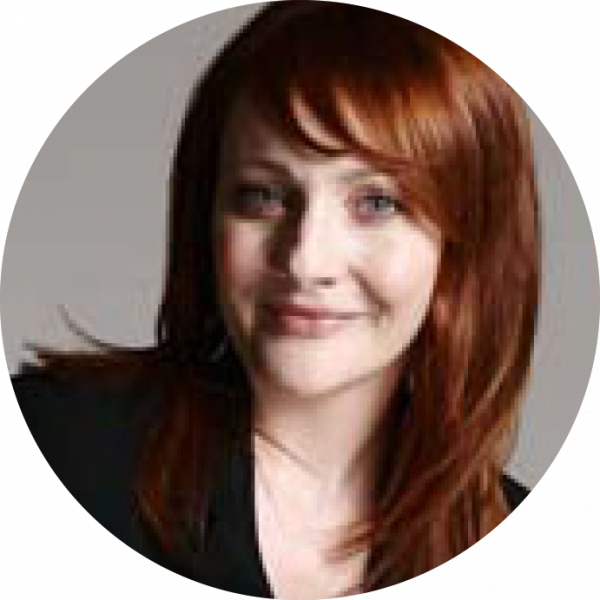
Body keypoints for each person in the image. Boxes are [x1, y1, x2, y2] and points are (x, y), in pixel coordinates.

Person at [10, 1, 539, 598]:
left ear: (466, 249)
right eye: (263, 195)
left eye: (376, 203)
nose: (305, 261)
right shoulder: (61, 447)